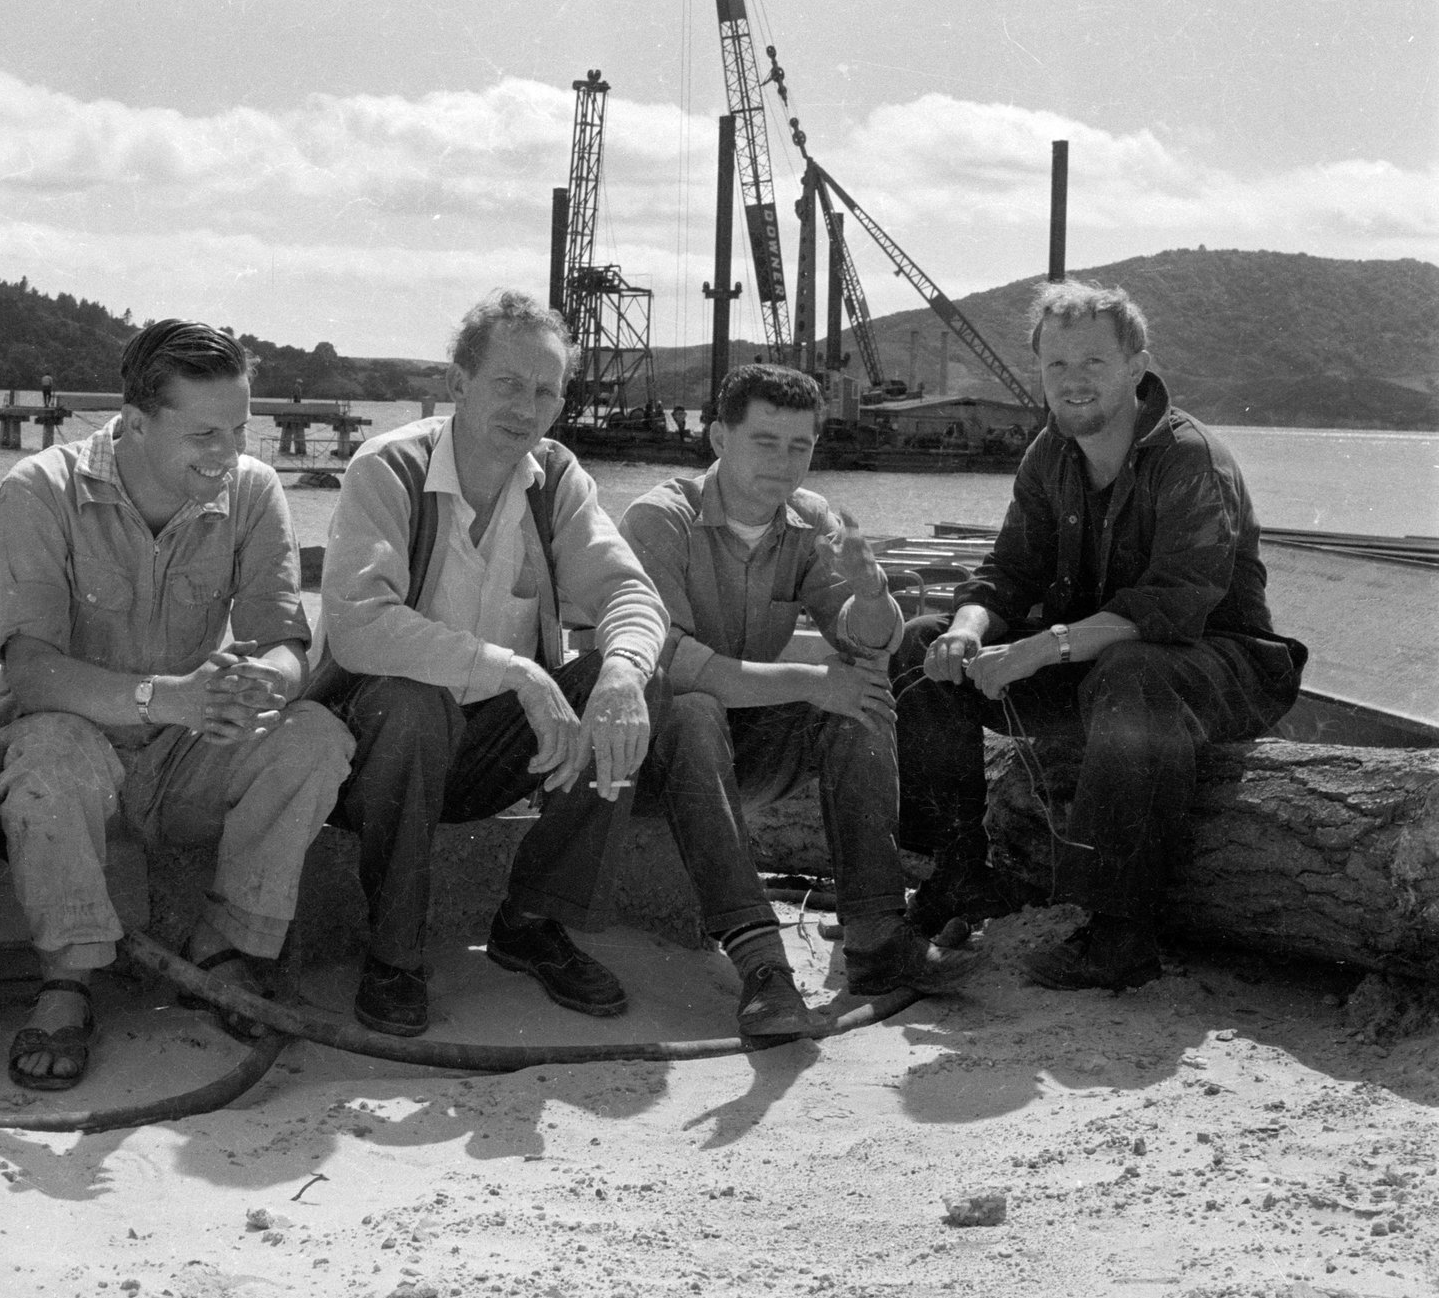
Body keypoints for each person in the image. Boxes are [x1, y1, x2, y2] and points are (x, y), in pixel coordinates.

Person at [894, 281, 1308, 991]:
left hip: (1216, 668)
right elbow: (1008, 570)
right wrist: (966, 631)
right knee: (921, 646)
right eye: (1057, 365)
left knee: (1135, 668)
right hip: (1097, 665)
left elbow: (1172, 606)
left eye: (1093, 362)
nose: (1073, 381)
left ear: (1136, 365)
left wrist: (1039, 648)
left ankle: (1121, 931)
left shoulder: (1190, 459)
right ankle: (959, 873)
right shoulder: (1049, 455)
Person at [0, 319, 350, 1090]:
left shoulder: (251, 492)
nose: (228, 454)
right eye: (204, 434)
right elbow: (30, 670)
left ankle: (225, 948)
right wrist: (164, 699)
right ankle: (67, 981)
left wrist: (268, 683)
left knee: (313, 737)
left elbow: (285, 638)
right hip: (81, 746)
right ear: (136, 422)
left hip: (188, 749)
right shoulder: (38, 491)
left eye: (240, 430)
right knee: (47, 755)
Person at [314, 290, 668, 1038]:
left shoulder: (558, 479)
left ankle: (532, 919)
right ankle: (393, 956)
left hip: (487, 753)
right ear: (457, 385)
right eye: (508, 383)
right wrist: (517, 669)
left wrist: (621, 675)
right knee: (413, 702)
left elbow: (631, 595)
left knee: (633, 682)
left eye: (546, 391)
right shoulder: (389, 470)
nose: (526, 407)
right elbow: (357, 626)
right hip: (370, 759)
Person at [621, 363, 981, 1038]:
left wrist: (872, 598)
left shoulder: (810, 519)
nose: (784, 463)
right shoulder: (658, 521)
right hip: (641, 761)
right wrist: (812, 682)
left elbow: (865, 641)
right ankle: (763, 966)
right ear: (719, 438)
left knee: (863, 697)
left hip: (738, 749)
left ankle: (875, 932)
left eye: (800, 446)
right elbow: (679, 666)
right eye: (765, 441)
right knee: (696, 708)